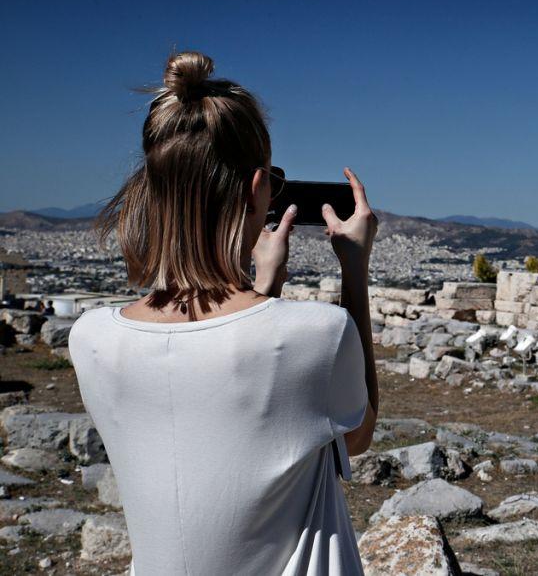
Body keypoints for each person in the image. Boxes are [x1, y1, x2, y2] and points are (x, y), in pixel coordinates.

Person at [68, 51, 379, 575]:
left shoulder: (90, 338)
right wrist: (355, 271)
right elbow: (357, 433)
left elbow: (212, 390)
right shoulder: (317, 335)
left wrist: (262, 287)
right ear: (259, 189)